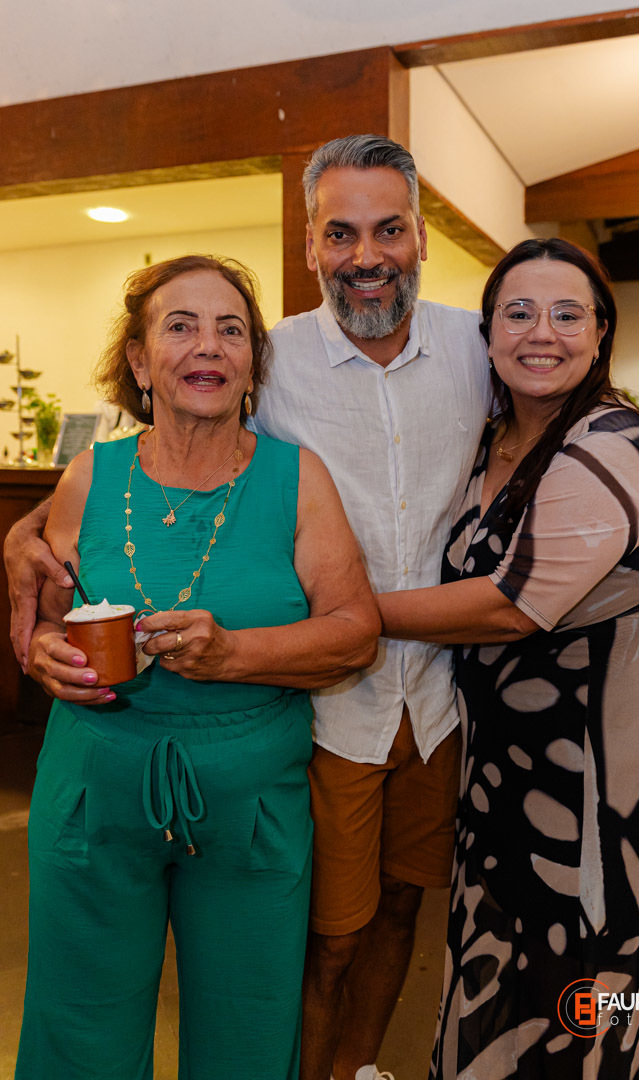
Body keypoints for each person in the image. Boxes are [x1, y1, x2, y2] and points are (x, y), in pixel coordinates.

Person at [4, 137, 639, 1080]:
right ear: (310, 244)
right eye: (340, 233)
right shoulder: (270, 356)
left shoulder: (476, 344)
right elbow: (162, 452)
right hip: (331, 701)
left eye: (388, 230)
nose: (366, 255)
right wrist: (25, 531)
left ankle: (357, 1069)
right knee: (321, 934)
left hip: (447, 697)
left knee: (404, 907)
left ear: (419, 237)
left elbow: (561, 386)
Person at [15, 254, 379, 1080]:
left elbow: (355, 634)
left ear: (251, 363)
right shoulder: (89, 476)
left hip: (251, 805)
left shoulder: (296, 478)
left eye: (230, 330)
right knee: (79, 1028)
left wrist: (234, 653)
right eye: (180, 327)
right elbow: (45, 617)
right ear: (140, 362)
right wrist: (42, 653)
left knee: (247, 1031)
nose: (207, 345)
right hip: (93, 794)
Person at [376, 238, 639, 1079]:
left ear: (601, 334)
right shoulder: (494, 438)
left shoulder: (610, 442)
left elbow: (512, 604)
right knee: (520, 972)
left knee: (608, 981)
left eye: (568, 314)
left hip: (611, 777)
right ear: (486, 335)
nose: (541, 333)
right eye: (518, 313)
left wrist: (342, 618)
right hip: (518, 770)